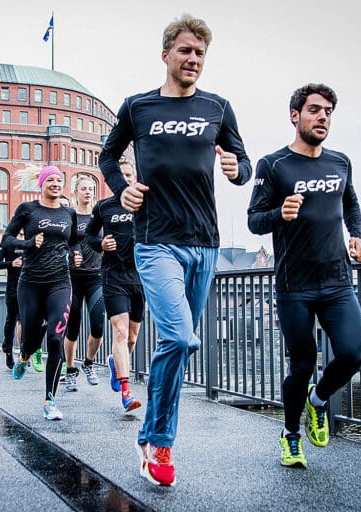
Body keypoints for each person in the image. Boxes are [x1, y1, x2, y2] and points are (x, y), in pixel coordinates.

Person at [99, 14, 251, 486]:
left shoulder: (218, 108)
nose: (193, 60)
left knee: (172, 342)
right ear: (166, 54)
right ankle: (162, 443)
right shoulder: (137, 107)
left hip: (204, 243)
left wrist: (234, 168)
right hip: (155, 241)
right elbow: (108, 155)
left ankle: (149, 435)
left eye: (200, 53)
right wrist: (122, 187)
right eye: (185, 50)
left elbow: (244, 165)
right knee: (182, 338)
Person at [247, 83, 361, 469]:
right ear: (295, 115)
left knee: (350, 354)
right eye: (315, 110)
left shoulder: (340, 162)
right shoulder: (274, 165)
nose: (323, 117)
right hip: (294, 285)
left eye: (328, 111)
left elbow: (350, 203)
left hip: (336, 280)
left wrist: (358, 236)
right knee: (302, 364)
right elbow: (254, 221)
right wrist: (280, 212)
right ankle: (291, 435)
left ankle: (319, 401)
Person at [1, 164, 81, 421]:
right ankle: (24, 354)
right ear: (42, 185)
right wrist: (28, 244)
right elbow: (6, 240)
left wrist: (76, 253)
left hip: (60, 282)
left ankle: (50, 399)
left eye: (59, 180)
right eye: (51, 181)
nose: (55, 184)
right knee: (32, 337)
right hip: (31, 283)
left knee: (56, 338)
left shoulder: (69, 212)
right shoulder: (27, 210)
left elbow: (74, 240)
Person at [85, 159, 144, 412]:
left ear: (135, 176)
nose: (126, 179)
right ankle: (126, 391)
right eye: (121, 176)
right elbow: (89, 236)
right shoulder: (104, 207)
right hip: (113, 276)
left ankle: (114, 362)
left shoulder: (146, 202)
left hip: (141, 278)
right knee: (120, 332)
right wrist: (101, 245)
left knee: (131, 337)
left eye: (130, 175)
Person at [63, 174, 105, 391]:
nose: (88, 192)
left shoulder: (99, 216)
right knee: (73, 327)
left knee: (98, 325)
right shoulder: (70, 217)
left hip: (96, 277)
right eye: (84, 189)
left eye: (91, 189)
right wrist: (70, 254)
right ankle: (70, 370)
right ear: (76, 193)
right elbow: (62, 244)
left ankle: (88, 363)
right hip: (73, 278)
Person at [0, 240, 23, 369]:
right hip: (12, 288)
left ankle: (24, 353)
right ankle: (8, 350)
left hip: (29, 288)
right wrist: (12, 263)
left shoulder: (31, 240)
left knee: (26, 322)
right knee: (11, 320)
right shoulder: (7, 242)